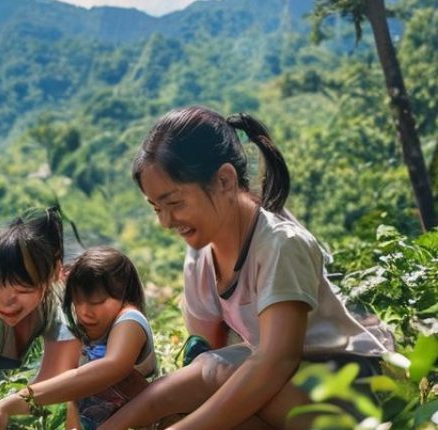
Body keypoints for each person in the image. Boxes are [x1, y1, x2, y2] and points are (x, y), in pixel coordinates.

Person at [98, 106, 390, 430]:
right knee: (199, 394)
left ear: (224, 180)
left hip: (349, 392)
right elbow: (203, 357)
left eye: (175, 203)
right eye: (156, 208)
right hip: (283, 392)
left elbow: (276, 361)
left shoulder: (280, 245)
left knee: (225, 372)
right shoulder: (200, 257)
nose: (165, 221)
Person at [0, 246, 157, 430]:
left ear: (124, 296)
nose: (86, 313)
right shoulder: (80, 331)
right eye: (78, 301)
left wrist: (14, 402)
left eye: (98, 302)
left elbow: (112, 366)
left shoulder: (130, 319)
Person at [0, 207, 82, 425]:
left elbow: (47, 394)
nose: (5, 302)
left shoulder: (66, 325)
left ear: (52, 274)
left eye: (21, 290)